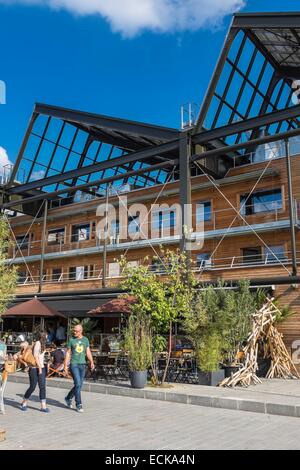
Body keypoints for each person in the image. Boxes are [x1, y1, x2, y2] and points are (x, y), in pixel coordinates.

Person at [64, 324, 94, 412]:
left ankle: (68, 398)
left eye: (76, 331)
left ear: (81, 331)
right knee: (77, 384)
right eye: (74, 331)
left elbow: (88, 351)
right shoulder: (71, 340)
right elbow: (68, 353)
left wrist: (91, 361)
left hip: (83, 365)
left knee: (79, 385)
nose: (74, 332)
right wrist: (65, 365)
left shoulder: (85, 340)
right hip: (74, 364)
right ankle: (79, 404)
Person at [20, 332, 50, 413]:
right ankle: (24, 402)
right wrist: (39, 367)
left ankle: (43, 406)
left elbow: (41, 357)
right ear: (43, 336)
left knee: (42, 386)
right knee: (32, 387)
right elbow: (36, 356)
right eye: (46, 335)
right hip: (34, 368)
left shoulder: (43, 344)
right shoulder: (37, 343)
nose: (47, 336)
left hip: (41, 367)